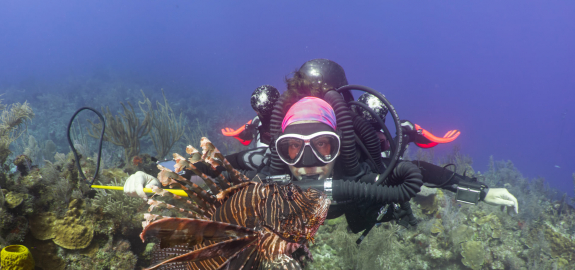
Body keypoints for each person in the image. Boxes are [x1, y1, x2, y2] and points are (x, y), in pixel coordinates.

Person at [124, 59, 518, 238]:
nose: (309, 163)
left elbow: (417, 171)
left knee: (393, 150)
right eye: (294, 149)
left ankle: (411, 128)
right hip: (275, 159)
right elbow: (213, 166)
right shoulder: (269, 162)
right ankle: (254, 130)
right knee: (253, 147)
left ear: (340, 143)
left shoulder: (359, 164)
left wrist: (479, 192)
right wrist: (157, 175)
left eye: (324, 146)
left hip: (356, 178)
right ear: (281, 147)